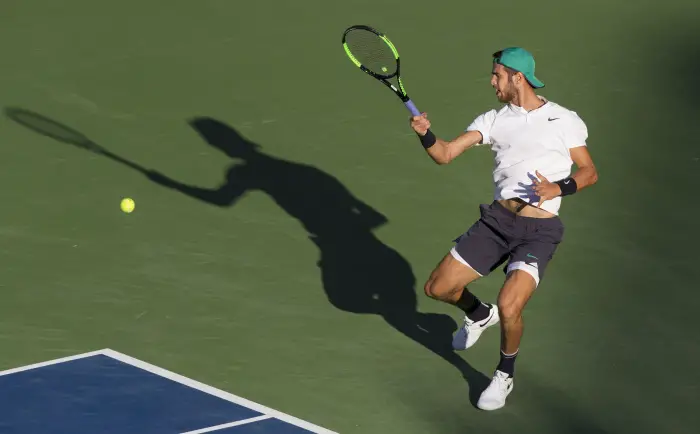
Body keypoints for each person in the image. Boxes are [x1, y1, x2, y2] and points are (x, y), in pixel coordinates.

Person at [410, 47, 599, 410]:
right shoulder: (493, 120)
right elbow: (445, 154)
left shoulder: (564, 120)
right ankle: (479, 314)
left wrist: (559, 188)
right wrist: (425, 134)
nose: (491, 81)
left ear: (518, 77)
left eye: (497, 75)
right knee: (438, 288)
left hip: (539, 232)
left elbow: (589, 171)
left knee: (510, 305)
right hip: (497, 222)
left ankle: (504, 374)